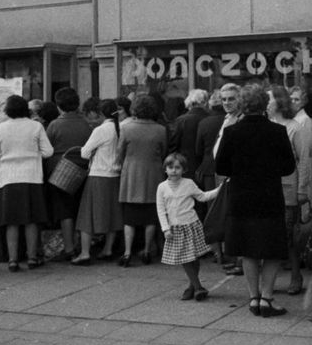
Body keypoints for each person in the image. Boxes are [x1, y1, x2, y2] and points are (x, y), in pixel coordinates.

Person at [215, 84, 297, 316]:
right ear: (264, 105)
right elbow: (288, 167)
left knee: (248, 248)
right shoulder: (278, 131)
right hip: (269, 196)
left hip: (241, 196)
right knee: (271, 248)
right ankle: (267, 297)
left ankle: (253, 297)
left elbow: (221, 166)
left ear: (242, 105)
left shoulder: (232, 132)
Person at [0, 94, 54, 271]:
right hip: (32, 176)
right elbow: (48, 151)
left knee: (12, 221)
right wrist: (33, 154)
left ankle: (13, 260)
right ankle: (32, 257)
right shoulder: (36, 126)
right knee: (31, 219)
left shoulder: (1, 127)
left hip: (9, 177)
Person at [157, 152, 221, 301]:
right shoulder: (162, 187)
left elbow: (203, 197)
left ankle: (192, 286)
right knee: (185, 258)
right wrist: (165, 228)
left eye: (178, 167)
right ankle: (198, 286)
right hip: (175, 228)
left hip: (191, 225)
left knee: (194, 257)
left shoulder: (189, 183)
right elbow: (161, 209)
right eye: (170, 167)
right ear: (165, 169)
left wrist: (220, 190)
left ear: (184, 170)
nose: (174, 170)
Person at [268, 85, 312, 295]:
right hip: (268, 187)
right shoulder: (266, 125)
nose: (267, 103)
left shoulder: (296, 126)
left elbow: (305, 159)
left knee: (288, 235)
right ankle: (270, 279)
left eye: (270, 99)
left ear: (279, 102)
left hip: (288, 188)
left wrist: (303, 189)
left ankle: (296, 275)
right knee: (270, 234)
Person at [118, 94, 168, 266]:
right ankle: (147, 250)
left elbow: (120, 153)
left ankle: (127, 252)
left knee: (129, 217)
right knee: (150, 216)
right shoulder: (160, 129)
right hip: (153, 173)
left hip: (131, 174)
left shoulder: (126, 128)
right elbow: (163, 151)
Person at [72, 98, 124, 265]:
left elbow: (85, 153)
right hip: (115, 176)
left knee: (87, 216)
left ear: (101, 113)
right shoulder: (121, 128)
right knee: (113, 214)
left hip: (98, 175)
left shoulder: (101, 130)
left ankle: (85, 253)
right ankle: (108, 249)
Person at [44, 87, 93, 261]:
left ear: (59, 106)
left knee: (64, 211)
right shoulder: (85, 124)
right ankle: (82, 245)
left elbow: (47, 149)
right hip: (81, 171)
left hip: (59, 173)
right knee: (79, 209)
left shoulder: (55, 125)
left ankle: (69, 248)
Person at [197, 84, 241, 274]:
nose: (226, 103)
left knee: (235, 217)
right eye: (223, 99)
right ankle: (235, 257)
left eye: (231, 98)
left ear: (240, 99)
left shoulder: (240, 119)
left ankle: (240, 260)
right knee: (227, 217)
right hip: (222, 174)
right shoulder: (227, 118)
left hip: (234, 175)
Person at [169, 89, 211, 183]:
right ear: (205, 103)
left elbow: (173, 146)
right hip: (206, 170)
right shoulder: (209, 119)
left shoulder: (181, 121)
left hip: (185, 167)